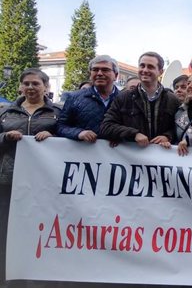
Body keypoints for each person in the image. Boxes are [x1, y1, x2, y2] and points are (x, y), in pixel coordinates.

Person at [0, 69, 60, 285]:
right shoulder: (6, 113)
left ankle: (40, 273)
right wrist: (5, 137)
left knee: (41, 229)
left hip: (45, 183)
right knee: (8, 229)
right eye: (26, 83)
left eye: (36, 83)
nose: (31, 87)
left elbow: (69, 138)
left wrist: (54, 137)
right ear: (20, 86)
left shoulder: (57, 113)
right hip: (10, 180)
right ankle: (9, 274)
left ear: (46, 87)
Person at [100, 51, 180, 147]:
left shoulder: (173, 100)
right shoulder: (123, 97)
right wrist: (134, 134)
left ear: (160, 72)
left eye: (150, 67)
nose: (145, 70)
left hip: (162, 158)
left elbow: (179, 127)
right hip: (132, 159)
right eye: (142, 66)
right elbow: (106, 126)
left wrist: (168, 136)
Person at [57, 55, 121, 142]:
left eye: (105, 70)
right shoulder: (74, 98)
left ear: (116, 75)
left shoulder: (126, 100)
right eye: (95, 70)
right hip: (83, 154)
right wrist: (78, 133)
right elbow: (61, 127)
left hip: (116, 153)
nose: (99, 73)